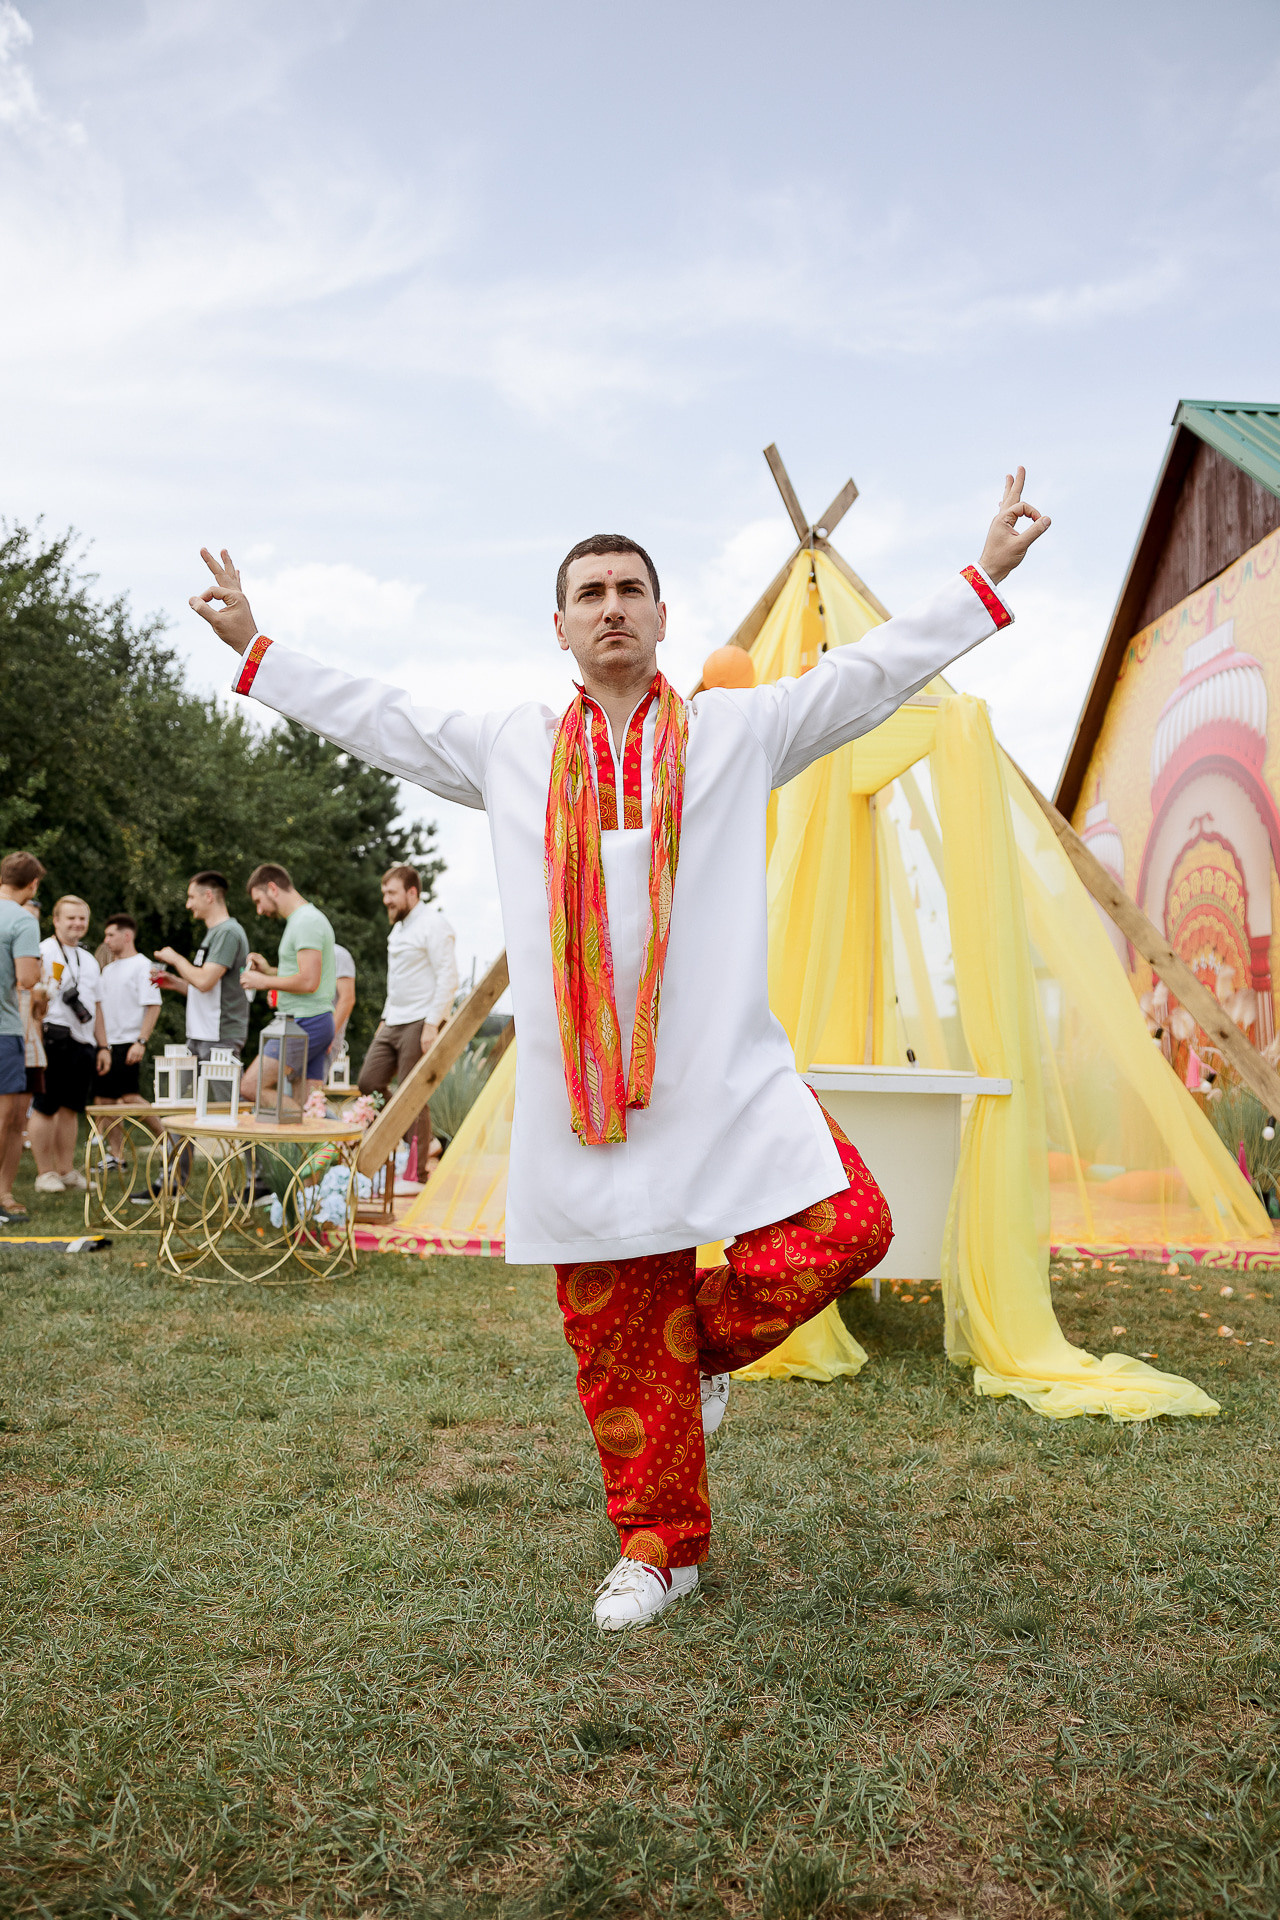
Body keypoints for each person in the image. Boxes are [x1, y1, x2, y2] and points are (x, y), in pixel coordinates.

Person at [191, 468, 1050, 1629]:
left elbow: (864, 676)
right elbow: (381, 715)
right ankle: (656, 1549)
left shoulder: (738, 729)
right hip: (580, 1096)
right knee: (612, 1335)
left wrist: (981, 575)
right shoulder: (508, 745)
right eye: (588, 592)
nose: (610, 606)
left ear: (661, 616)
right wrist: (259, 648)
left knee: (849, 1225)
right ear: (558, 626)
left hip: (722, 1071)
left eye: (629, 589)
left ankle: (696, 1352)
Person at [357, 865, 457, 1170]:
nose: (386, 899)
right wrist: (385, 1019)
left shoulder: (434, 924)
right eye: (384, 893)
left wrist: (432, 1024)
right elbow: (397, 980)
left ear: (412, 892)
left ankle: (416, 1172)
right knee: (368, 1082)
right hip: (395, 1019)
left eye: (391, 893)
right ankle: (429, 1144)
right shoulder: (398, 928)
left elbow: (448, 977)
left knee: (411, 1095)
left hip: (420, 1019)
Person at [31, 895, 109, 1195]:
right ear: (56, 920)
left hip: (83, 1041)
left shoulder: (88, 960)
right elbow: (33, 1000)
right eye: (71, 918)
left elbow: (98, 1007)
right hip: (53, 1037)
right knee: (45, 1106)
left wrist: (104, 1046)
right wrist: (36, 1045)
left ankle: (65, 1170)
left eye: (82, 918)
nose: (77, 923)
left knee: (71, 1108)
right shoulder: (43, 951)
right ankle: (44, 1172)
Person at [239, 865, 336, 1103]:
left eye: (259, 901)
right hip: (310, 1021)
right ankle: (342, 1140)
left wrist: (263, 981)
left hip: (306, 1022)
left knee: (251, 1086)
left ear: (273, 888)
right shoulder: (301, 920)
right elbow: (303, 973)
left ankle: (345, 1136)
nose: (259, 910)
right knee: (308, 1107)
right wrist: (269, 970)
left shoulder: (306, 921)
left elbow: (309, 981)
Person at [155, 870, 251, 1063]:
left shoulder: (228, 932)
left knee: (220, 1095)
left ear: (208, 896)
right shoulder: (215, 933)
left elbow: (205, 981)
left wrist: (175, 958)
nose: (188, 905)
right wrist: (175, 983)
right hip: (201, 1034)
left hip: (219, 1037)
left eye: (191, 897)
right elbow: (210, 990)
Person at [0, 852, 46, 1224]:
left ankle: (4, 1193)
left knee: (12, 1120)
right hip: (4, 1029)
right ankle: (1, 1193)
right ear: (33, 885)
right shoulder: (22, 920)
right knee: (8, 1119)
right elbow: (28, 978)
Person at [96, 913, 163, 1162]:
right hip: (106, 1043)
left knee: (129, 1097)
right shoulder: (108, 969)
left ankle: (168, 1140)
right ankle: (117, 1156)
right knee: (106, 1101)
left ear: (127, 936)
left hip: (129, 1041)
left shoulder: (143, 966)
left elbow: (153, 1005)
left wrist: (141, 1041)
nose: (106, 940)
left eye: (111, 934)